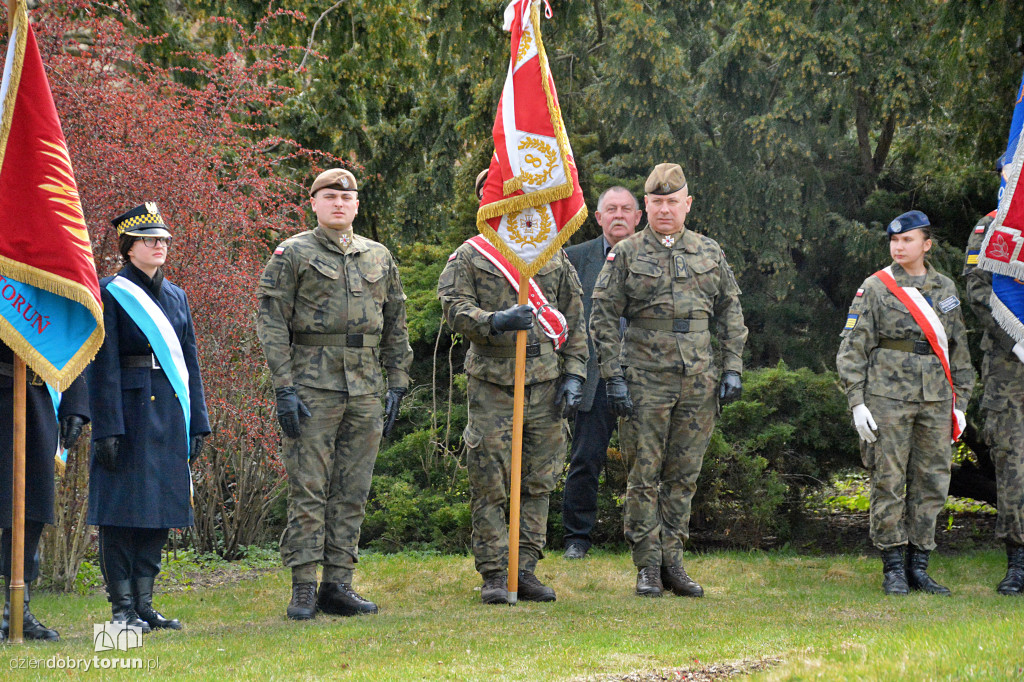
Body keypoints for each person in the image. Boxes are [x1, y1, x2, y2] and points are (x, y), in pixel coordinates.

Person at [257, 168, 412, 620]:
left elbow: (396, 321)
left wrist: (397, 380)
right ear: (314, 203)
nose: (339, 203)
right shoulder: (293, 253)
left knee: (353, 488)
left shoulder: (378, 256)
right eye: (330, 196)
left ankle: (338, 583)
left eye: (347, 196)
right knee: (309, 486)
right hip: (312, 387)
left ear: (357, 205)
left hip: (365, 387)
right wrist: (283, 387)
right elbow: (271, 324)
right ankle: (304, 585)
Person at [589, 163, 746, 598]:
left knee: (683, 475)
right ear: (646, 206)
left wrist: (731, 367)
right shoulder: (626, 254)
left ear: (687, 204)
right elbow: (601, 315)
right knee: (643, 475)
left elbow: (731, 311)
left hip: (697, 380)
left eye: (672, 201)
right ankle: (647, 566)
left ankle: (673, 561)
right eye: (656, 202)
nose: (664, 209)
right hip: (644, 380)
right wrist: (612, 376)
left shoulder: (709, 252)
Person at [436, 169, 587, 604]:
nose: (518, 203)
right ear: (489, 202)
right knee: (490, 483)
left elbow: (575, 319)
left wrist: (575, 374)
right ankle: (494, 575)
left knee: (539, 481)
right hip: (493, 385)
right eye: (507, 195)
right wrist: (493, 321)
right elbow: (453, 306)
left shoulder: (551, 255)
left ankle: (525, 569)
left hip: (544, 385)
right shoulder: (470, 256)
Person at [837, 210, 974, 596]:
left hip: (935, 399)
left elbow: (958, 349)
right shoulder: (876, 287)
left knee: (931, 480)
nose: (899, 246)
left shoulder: (945, 288)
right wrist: (857, 401)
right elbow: (852, 349)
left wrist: (960, 401)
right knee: (889, 480)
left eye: (908, 240)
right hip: (887, 399)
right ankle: (893, 566)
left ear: (926, 245)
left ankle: (920, 564)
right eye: (895, 241)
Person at [87, 202, 210, 631]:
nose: (159, 246)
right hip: (127, 412)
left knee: (160, 512)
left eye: (163, 240)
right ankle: (120, 609)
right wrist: (106, 427)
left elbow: (189, 361)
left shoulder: (176, 296)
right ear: (129, 247)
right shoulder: (110, 291)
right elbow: (100, 364)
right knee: (121, 514)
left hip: (169, 414)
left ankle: (144, 604)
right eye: (149, 240)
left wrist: (198, 422)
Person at [562, 186, 642, 560]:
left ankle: (647, 538)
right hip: (595, 376)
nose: (619, 215)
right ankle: (577, 538)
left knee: (648, 460)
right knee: (585, 458)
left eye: (627, 209)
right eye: (611, 209)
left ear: (638, 217)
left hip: (645, 375)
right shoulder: (575, 259)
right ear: (598, 218)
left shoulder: (655, 256)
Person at [963, 155, 1024, 595]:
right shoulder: (990, 227)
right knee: (1013, 460)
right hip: (1009, 366)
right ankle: (1018, 560)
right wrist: (1016, 338)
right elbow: (977, 288)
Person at [0, 342, 88, 642]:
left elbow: (69, 329)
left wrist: (75, 403)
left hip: (38, 401)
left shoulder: (47, 291)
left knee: (29, 512)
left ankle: (17, 613)